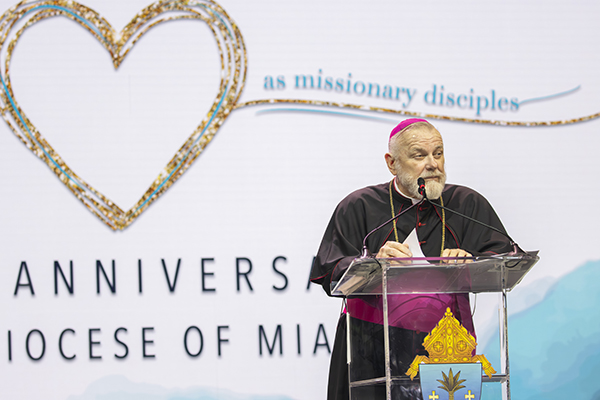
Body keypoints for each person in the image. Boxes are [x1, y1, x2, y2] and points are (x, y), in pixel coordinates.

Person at [310, 118, 515, 400]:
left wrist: (472, 262)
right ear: (391, 163)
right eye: (419, 155)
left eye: (438, 153)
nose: (432, 164)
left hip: (447, 346)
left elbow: (506, 257)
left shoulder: (467, 203)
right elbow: (330, 271)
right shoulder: (359, 206)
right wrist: (371, 264)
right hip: (371, 345)